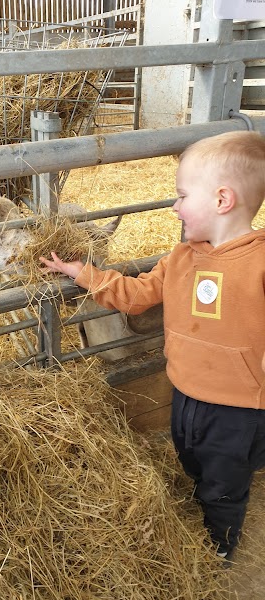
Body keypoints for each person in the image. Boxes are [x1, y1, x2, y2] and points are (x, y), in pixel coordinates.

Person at [39, 130, 265, 562]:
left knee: (224, 483)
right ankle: (207, 495)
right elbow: (135, 295)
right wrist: (83, 273)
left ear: (222, 200)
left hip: (241, 408)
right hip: (185, 392)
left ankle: (218, 549)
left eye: (182, 195)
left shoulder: (260, 261)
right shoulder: (180, 258)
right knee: (191, 457)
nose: (175, 205)